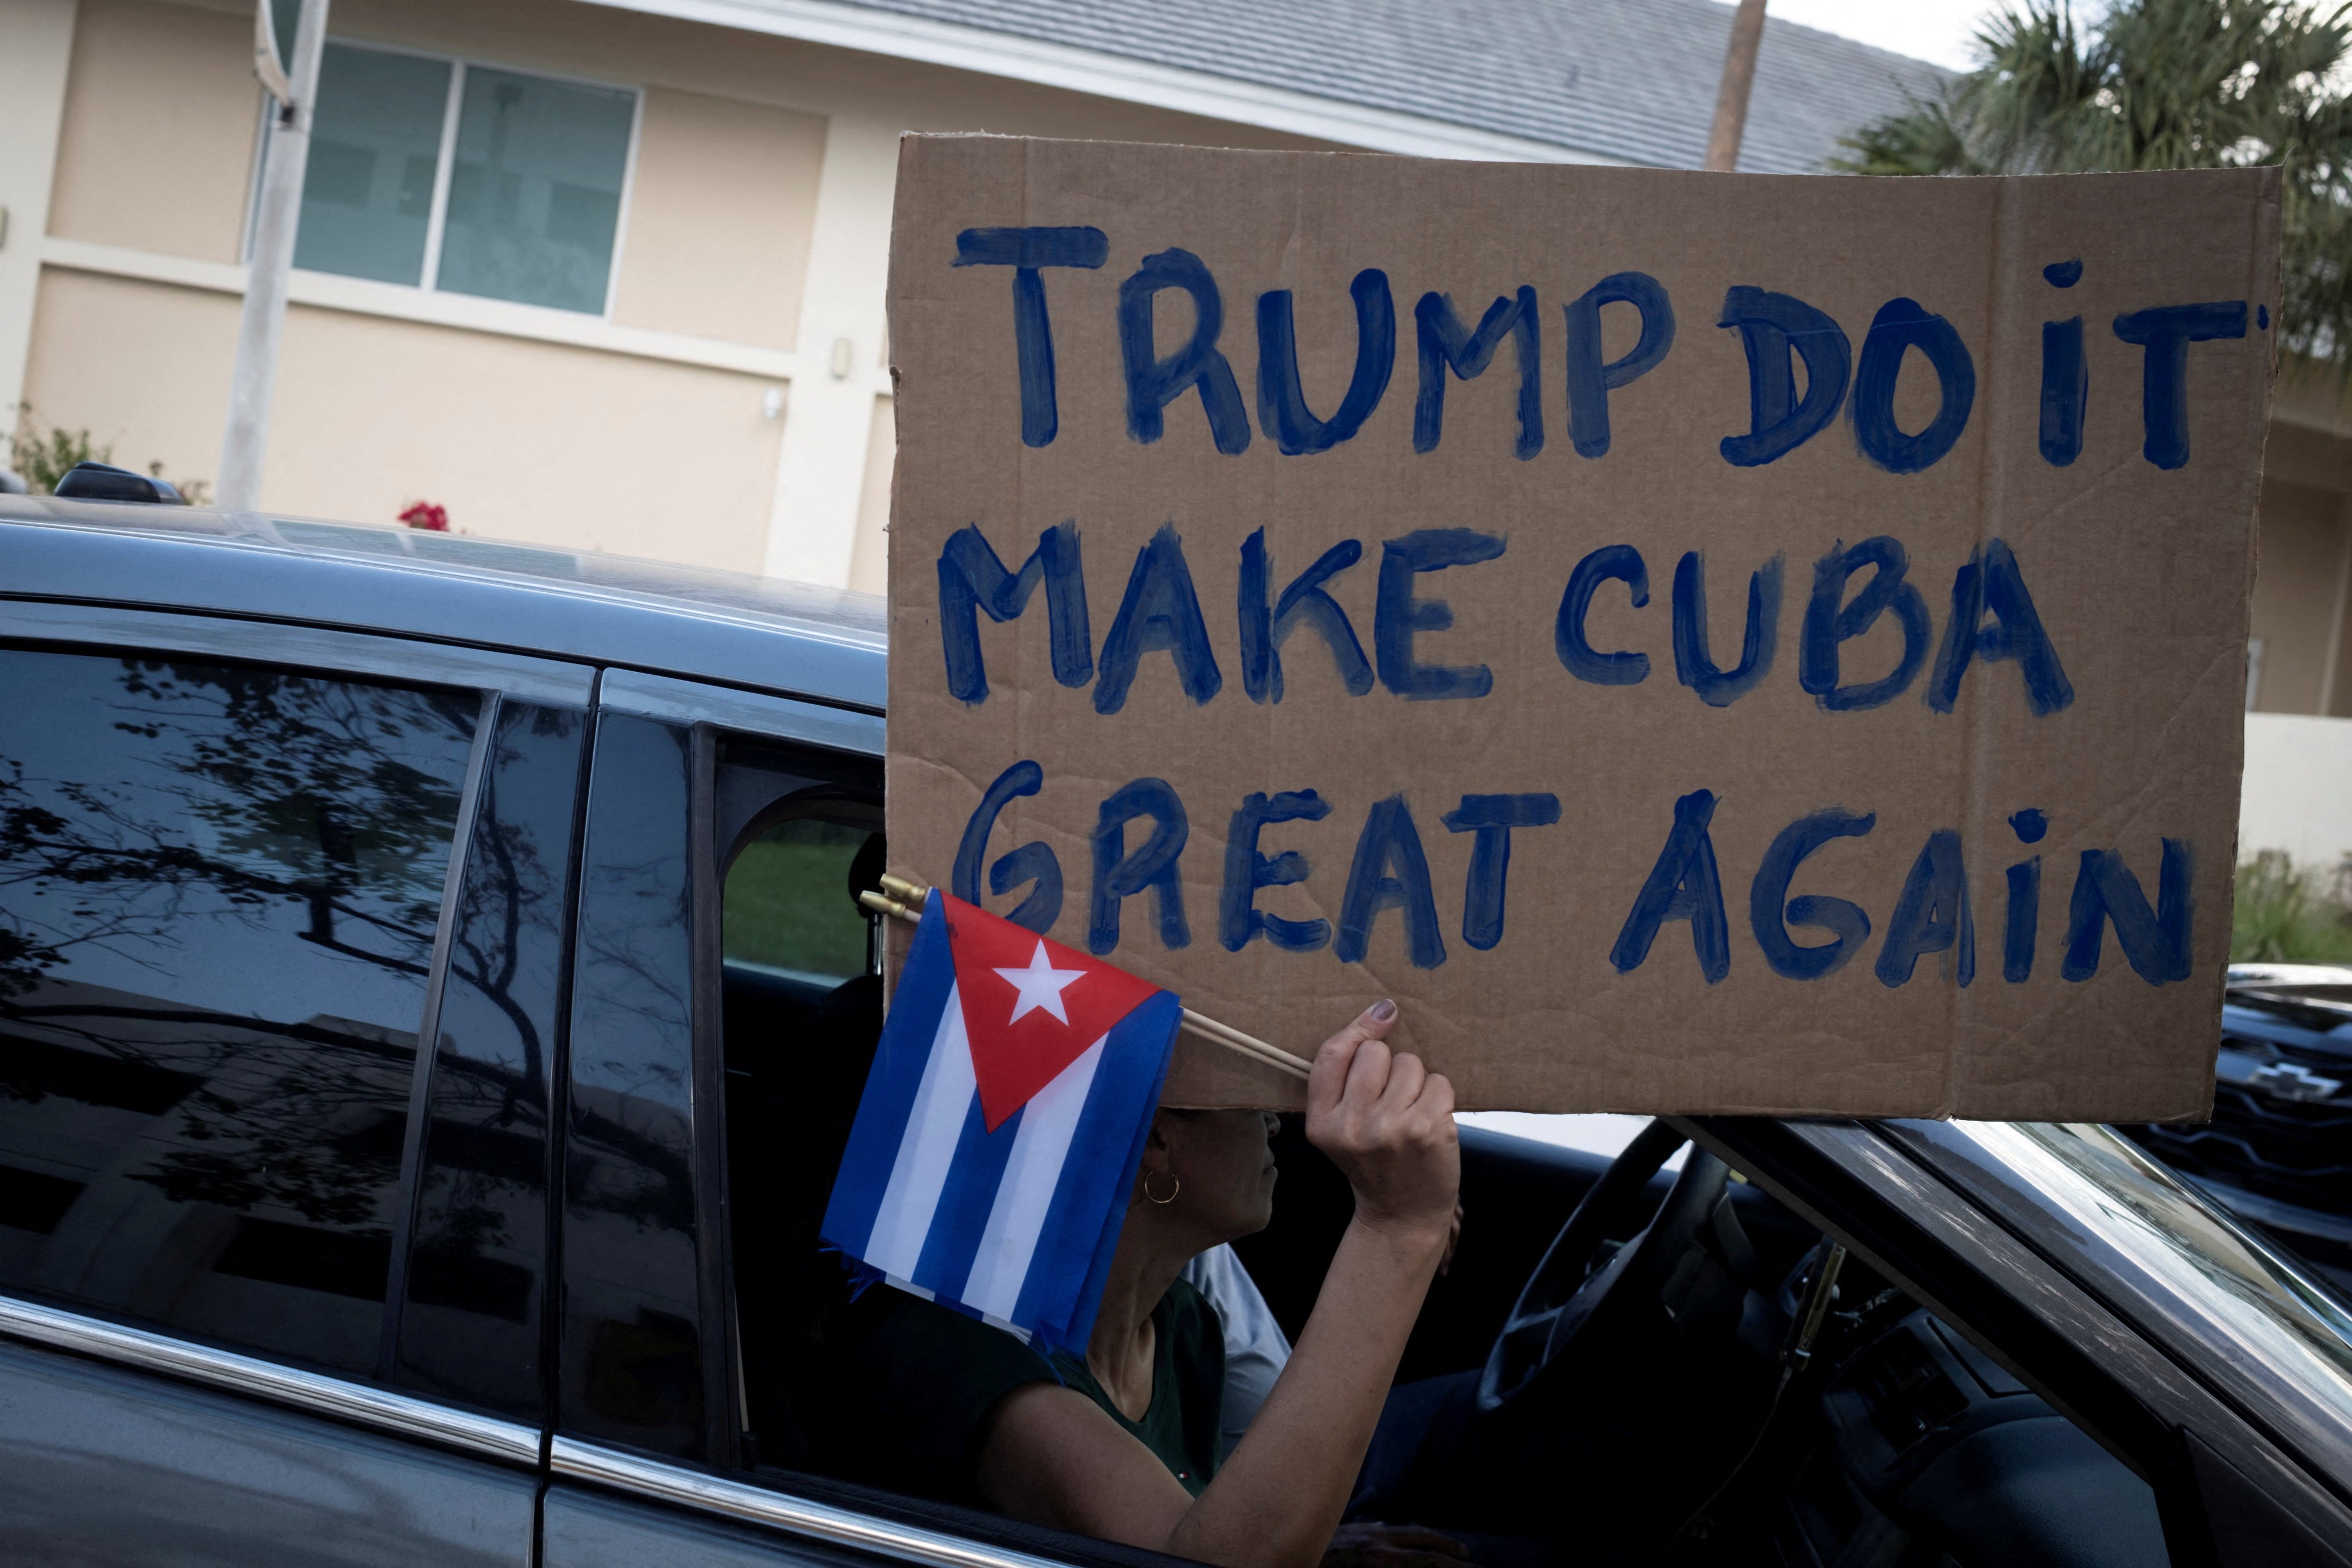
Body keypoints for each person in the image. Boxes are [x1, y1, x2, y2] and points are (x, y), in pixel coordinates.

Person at [831, 998, 1462, 1568]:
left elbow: (1212, 1521)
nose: (1275, 1122)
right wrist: (1398, 1227)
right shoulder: (967, 1354)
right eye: (1246, 1098)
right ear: (1157, 1139)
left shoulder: (1181, 1323)